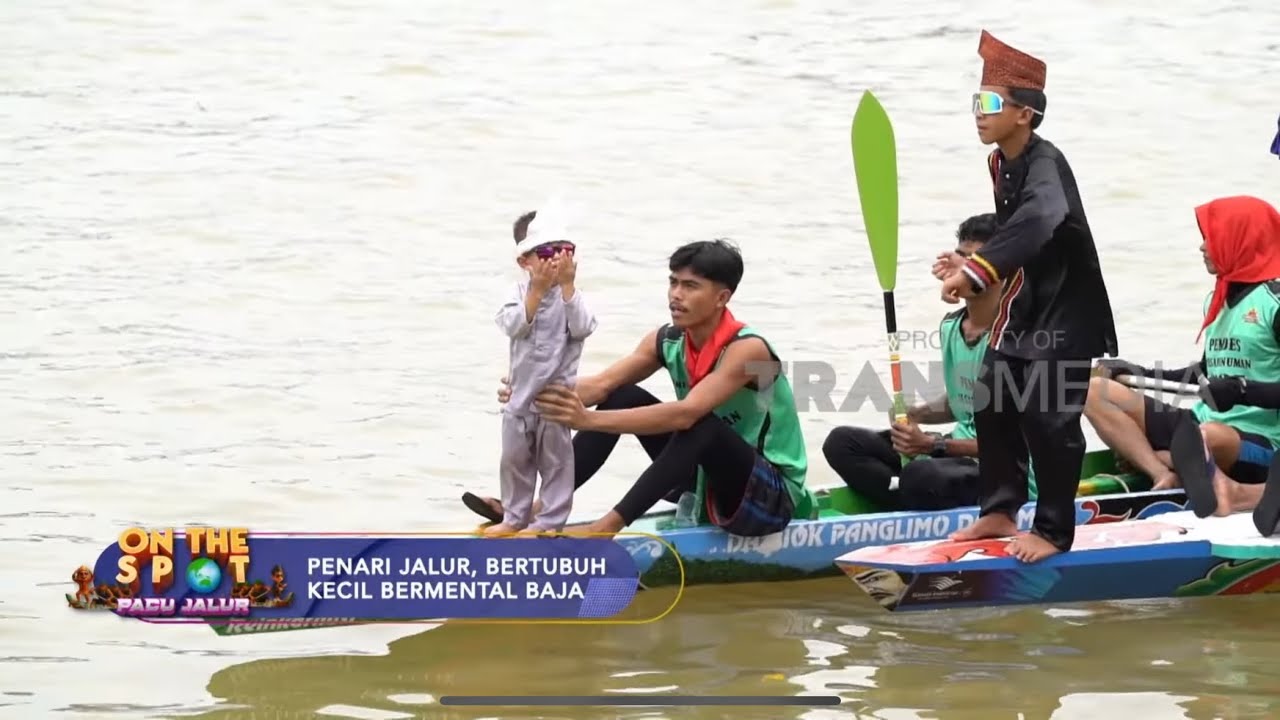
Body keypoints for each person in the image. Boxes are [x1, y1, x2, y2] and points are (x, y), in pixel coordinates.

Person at [470, 239, 817, 538]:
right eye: (673, 282)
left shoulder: (748, 350)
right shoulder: (667, 340)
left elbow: (687, 414)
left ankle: (604, 529)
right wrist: (530, 390)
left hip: (768, 497)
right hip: (702, 481)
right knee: (621, 394)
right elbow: (600, 386)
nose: (676, 295)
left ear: (721, 297)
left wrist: (587, 420)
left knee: (700, 424)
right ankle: (536, 511)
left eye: (690, 286)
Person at [933, 30, 1118, 563]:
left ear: (1024, 114)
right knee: (992, 396)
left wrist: (977, 272)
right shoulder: (1000, 161)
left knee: (1048, 417)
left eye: (990, 104)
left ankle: (1054, 532)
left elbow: (1039, 220)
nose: (979, 114)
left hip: (1068, 309)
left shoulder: (1045, 164)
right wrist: (973, 268)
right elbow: (1015, 237)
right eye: (976, 102)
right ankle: (999, 508)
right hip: (1025, 301)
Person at [824, 213, 1039, 510]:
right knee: (842, 443)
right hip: (953, 457)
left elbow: (1016, 444)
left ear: (1003, 269)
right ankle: (908, 495)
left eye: (974, 261)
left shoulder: (1020, 339)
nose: (961, 268)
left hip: (1006, 472)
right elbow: (963, 402)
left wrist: (932, 445)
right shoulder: (951, 327)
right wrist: (915, 414)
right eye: (960, 256)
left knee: (921, 474)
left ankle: (905, 492)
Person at [1089, 196, 1280, 522]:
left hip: (1257, 440)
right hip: (1199, 424)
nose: (1203, 247)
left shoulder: (1274, 304)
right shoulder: (1216, 299)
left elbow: (1234, 387)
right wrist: (1137, 372)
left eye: (1211, 238)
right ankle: (1161, 470)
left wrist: (1242, 390)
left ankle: (1165, 459)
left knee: (1209, 435)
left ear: (1240, 239)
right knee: (1094, 391)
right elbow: (1204, 374)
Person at [488, 208, 597, 536]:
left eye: (565, 252)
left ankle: (550, 521)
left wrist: (568, 286)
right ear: (525, 261)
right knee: (514, 460)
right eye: (548, 253)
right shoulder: (517, 294)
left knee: (556, 463)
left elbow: (583, 327)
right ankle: (514, 517)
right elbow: (512, 325)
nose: (557, 260)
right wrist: (535, 292)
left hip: (555, 398)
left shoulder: (572, 298)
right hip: (519, 397)